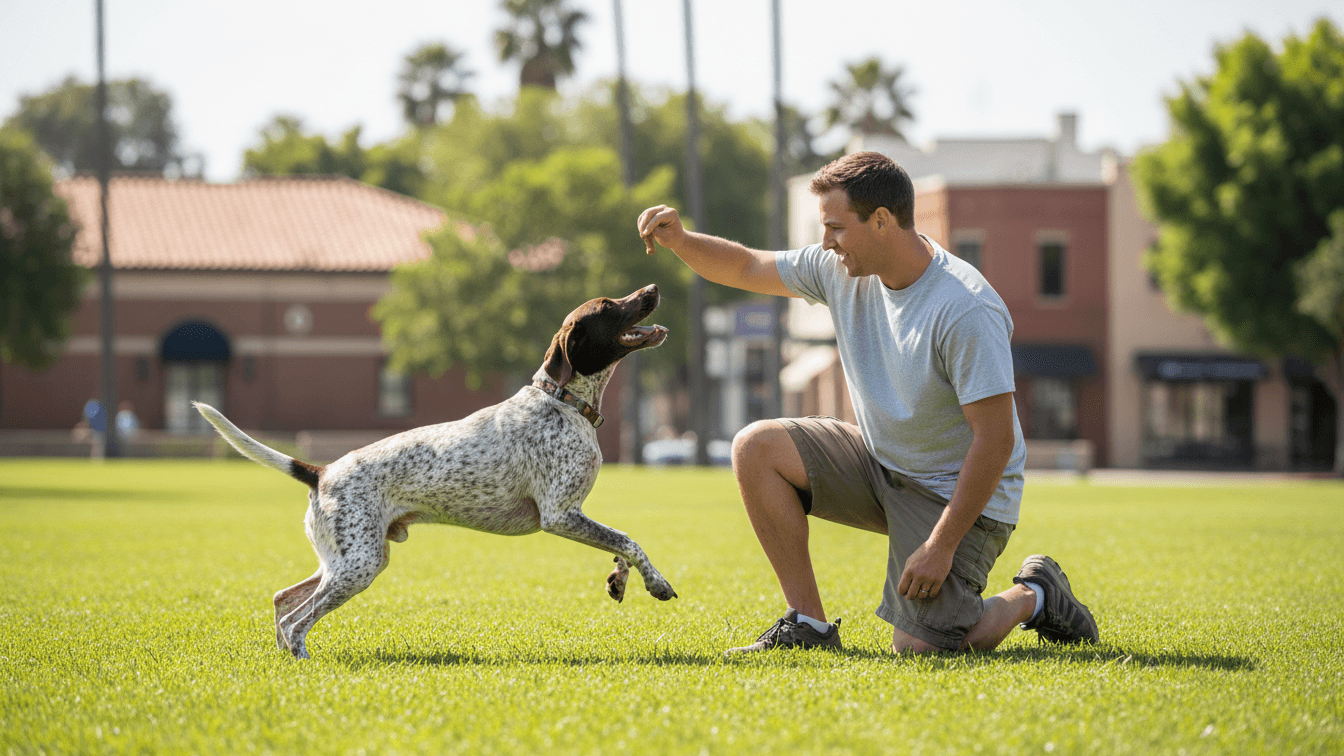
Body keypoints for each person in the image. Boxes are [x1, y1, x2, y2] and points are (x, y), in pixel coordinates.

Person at [636, 151, 1098, 655]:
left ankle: (1034, 593)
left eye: (835, 227)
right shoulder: (840, 268)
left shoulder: (965, 307)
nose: (825, 242)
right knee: (756, 447)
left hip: (957, 494)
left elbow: (996, 440)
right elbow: (748, 265)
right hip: (882, 464)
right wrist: (680, 241)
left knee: (919, 649)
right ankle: (808, 625)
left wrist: (941, 545)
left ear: (881, 222)